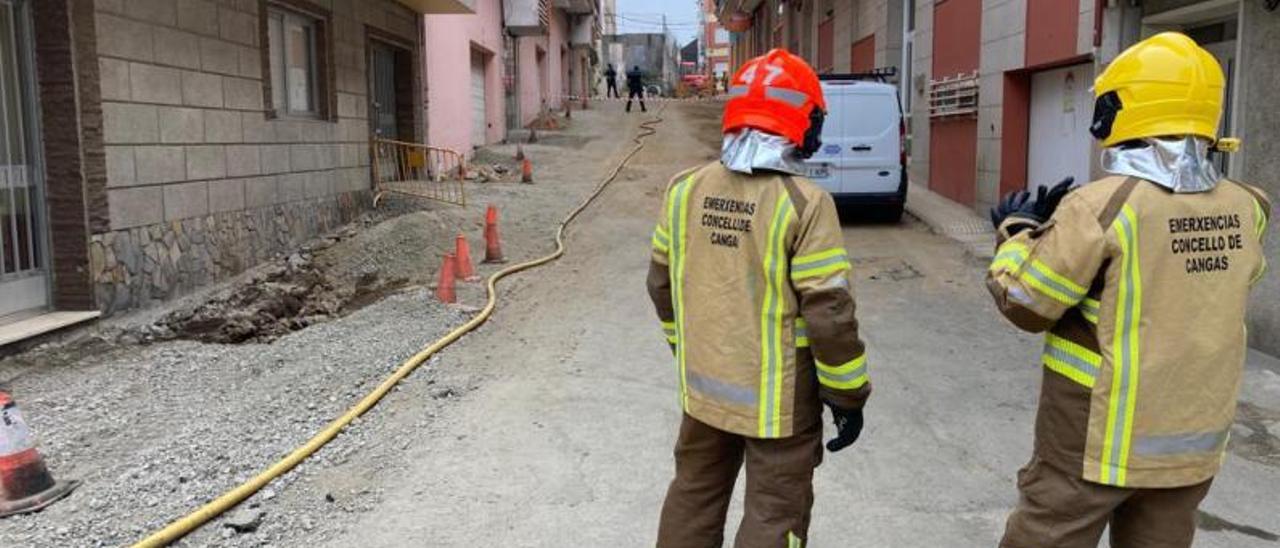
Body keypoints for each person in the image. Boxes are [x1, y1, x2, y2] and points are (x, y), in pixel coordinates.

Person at [986, 32, 1270, 548]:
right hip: (1189, 451)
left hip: (1094, 445)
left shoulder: (1101, 205)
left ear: (1120, 109)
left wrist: (1016, 234)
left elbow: (1027, 303)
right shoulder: (1248, 206)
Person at [648, 49, 870, 548]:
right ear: (801, 122)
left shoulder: (684, 190)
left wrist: (688, 348)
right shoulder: (806, 204)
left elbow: (660, 285)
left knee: (693, 495)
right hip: (778, 403)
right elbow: (830, 315)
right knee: (774, 515)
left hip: (705, 390)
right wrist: (847, 396)